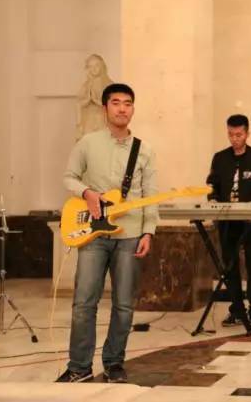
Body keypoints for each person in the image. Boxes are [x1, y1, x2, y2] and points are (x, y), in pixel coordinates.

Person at [58, 83, 158, 383]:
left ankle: (114, 363)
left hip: (130, 235)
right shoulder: (88, 143)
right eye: (116, 103)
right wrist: (87, 192)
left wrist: (148, 232)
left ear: (133, 109)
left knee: (124, 306)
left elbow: (150, 195)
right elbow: (69, 177)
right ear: (105, 108)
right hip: (93, 235)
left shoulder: (144, 150)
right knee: (83, 304)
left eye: (128, 103)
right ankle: (79, 367)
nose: (122, 108)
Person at [206, 114, 251, 329]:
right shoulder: (220, 158)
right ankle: (236, 309)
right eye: (231, 135)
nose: (235, 139)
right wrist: (213, 199)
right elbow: (212, 184)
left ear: (247, 134)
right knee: (230, 266)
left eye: (239, 135)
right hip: (227, 221)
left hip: (250, 221)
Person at [76, 54, 113, 140]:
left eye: (97, 65)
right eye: (91, 66)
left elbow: (112, 106)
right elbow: (78, 105)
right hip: (89, 122)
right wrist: (87, 101)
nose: (94, 69)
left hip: (103, 121)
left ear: (102, 66)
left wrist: (96, 101)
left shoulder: (109, 85)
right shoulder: (86, 85)